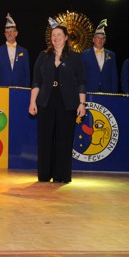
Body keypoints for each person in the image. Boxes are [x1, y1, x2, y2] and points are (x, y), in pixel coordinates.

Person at [28, 18, 86, 184]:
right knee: (45, 139)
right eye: (53, 35)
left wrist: (82, 103)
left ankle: (62, 175)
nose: (56, 38)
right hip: (46, 101)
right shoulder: (43, 56)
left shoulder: (75, 57)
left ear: (66, 37)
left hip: (67, 103)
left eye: (59, 35)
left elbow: (81, 82)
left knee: (64, 139)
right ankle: (45, 175)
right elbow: (36, 81)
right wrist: (32, 102)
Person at [0, 13, 30, 87]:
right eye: (7, 32)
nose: (9, 34)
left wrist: (26, 90)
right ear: (4, 34)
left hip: (19, 88)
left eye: (11, 31)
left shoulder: (24, 52)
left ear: (16, 33)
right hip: (2, 88)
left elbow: (27, 73)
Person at [81, 19, 118, 93]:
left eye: (102, 38)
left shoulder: (111, 55)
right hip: (89, 91)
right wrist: (82, 91)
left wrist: (114, 93)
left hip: (107, 91)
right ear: (93, 39)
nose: (100, 40)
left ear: (105, 41)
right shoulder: (85, 54)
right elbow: (81, 75)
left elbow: (114, 76)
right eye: (98, 38)